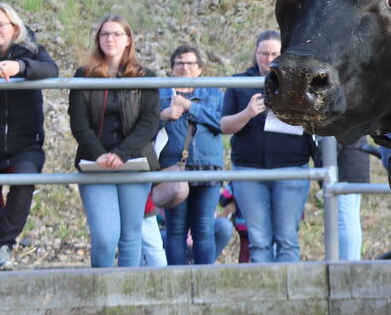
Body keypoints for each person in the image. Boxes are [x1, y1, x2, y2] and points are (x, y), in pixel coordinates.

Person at [68, 14, 161, 268]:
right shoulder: (84, 75)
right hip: (94, 163)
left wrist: (121, 153)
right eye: (105, 34)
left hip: (133, 161)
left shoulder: (145, 76)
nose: (110, 39)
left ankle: (127, 297)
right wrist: (98, 154)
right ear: (98, 39)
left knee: (131, 237)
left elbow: (150, 121)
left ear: (128, 40)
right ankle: (101, 292)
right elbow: (78, 122)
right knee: (105, 237)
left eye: (116, 34)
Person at [221, 30, 316, 263]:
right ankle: (264, 297)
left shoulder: (300, 82)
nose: (268, 58)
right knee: (259, 241)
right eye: (263, 53)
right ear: (255, 54)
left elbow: (316, 123)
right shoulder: (239, 82)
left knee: (287, 239)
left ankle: (291, 294)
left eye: (274, 53)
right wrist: (248, 112)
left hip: (291, 169)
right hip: (249, 170)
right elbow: (224, 125)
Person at [0, 2, 58, 270]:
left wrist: (19, 67)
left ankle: (4, 243)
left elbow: (50, 70)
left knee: (24, 182)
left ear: (14, 27)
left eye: (1, 25)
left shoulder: (31, 50)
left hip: (25, 143)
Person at [159, 43, 225, 265]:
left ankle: (204, 283)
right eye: (179, 63)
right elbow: (147, 123)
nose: (185, 67)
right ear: (172, 68)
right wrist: (164, 114)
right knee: (175, 230)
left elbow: (223, 123)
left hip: (208, 168)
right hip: (174, 169)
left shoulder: (214, 92)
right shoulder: (161, 93)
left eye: (190, 63)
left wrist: (190, 107)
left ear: (199, 68)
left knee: (204, 228)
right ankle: (176, 284)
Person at [333, 139, 375, 260]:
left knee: (346, 219)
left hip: (345, 169)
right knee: (351, 219)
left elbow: (333, 145)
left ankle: (348, 262)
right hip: (355, 163)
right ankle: (352, 260)